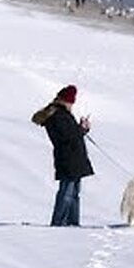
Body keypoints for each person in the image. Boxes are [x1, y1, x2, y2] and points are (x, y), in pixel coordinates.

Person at [31, 85, 94, 227]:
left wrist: (83, 129)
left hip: (73, 158)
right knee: (67, 193)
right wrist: (81, 128)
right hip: (68, 159)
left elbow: (72, 134)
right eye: (71, 101)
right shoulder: (58, 116)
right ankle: (59, 223)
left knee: (74, 194)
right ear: (65, 101)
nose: (72, 105)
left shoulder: (61, 114)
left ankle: (72, 222)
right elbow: (67, 136)